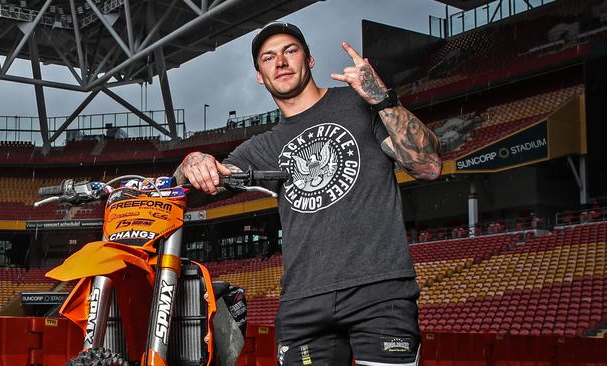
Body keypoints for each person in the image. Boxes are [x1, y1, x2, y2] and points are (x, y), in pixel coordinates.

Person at [175, 22, 442, 366]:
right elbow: (189, 191)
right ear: (260, 76)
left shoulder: (359, 105)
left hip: (379, 292)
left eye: (290, 51)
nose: (280, 62)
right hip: (303, 304)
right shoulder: (264, 146)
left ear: (310, 60)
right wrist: (191, 162)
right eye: (268, 57)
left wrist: (381, 98)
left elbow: (428, 166)